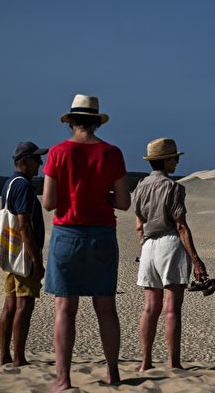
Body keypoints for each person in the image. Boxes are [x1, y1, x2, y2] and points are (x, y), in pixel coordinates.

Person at [42, 94, 131, 391]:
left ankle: (63, 379)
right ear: (96, 121)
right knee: (106, 308)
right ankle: (113, 373)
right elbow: (124, 202)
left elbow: (49, 203)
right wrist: (101, 196)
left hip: (67, 235)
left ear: (71, 122)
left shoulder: (57, 153)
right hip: (103, 235)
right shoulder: (113, 153)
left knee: (65, 309)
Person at [133, 137, 209, 372]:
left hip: (147, 246)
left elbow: (138, 225)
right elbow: (181, 226)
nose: (177, 161)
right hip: (170, 245)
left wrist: (145, 247)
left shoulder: (139, 187)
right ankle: (174, 363)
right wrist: (196, 260)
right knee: (172, 308)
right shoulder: (174, 187)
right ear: (165, 160)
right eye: (175, 158)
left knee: (149, 308)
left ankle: (145, 362)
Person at [0, 141, 48, 367]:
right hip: (24, 252)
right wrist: (36, 260)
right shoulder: (25, 187)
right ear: (24, 161)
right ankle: (19, 357)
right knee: (24, 305)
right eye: (37, 159)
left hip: (11, 251)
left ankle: (5, 357)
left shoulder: (9, 183)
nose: (40, 163)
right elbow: (24, 225)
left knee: (10, 304)